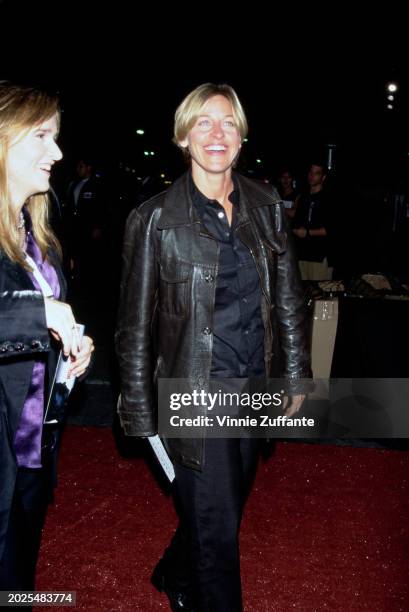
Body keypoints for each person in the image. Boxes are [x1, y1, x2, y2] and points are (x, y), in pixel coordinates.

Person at [116, 83, 311, 611]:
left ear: (242, 137)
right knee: (220, 534)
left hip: (254, 389)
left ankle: (175, 573)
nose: (217, 133)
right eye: (203, 122)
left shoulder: (267, 206)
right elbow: (134, 327)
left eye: (227, 122)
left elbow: (289, 299)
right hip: (194, 394)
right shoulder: (155, 220)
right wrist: (138, 409)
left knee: (219, 510)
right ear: (184, 137)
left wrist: (294, 375)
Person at [0, 82, 94, 593]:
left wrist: (72, 353)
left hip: (33, 448)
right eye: (42, 135)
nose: (57, 152)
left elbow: (49, 326)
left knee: (18, 583)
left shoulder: (40, 236)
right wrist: (38, 314)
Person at [292, 162, 333, 280]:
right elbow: (296, 222)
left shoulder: (329, 198)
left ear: (323, 177)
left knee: (319, 294)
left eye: (316, 173)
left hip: (319, 256)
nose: (312, 176)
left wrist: (308, 233)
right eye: (310, 172)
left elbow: (330, 229)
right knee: (303, 293)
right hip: (302, 255)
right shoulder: (303, 197)